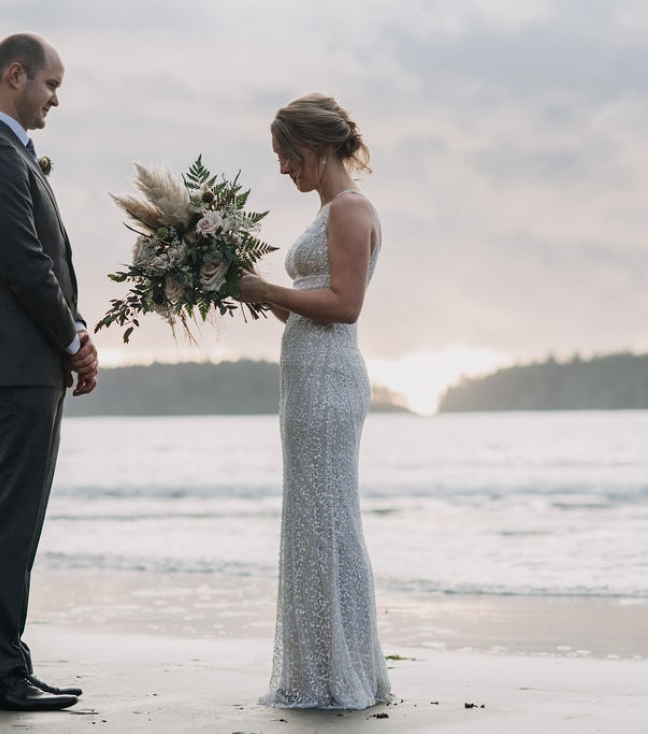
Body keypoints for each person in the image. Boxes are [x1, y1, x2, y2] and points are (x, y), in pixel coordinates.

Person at [0, 32, 98, 712]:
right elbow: (25, 265)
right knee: (9, 518)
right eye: (50, 84)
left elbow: (45, 265)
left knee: (19, 518)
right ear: (16, 75)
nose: (56, 99)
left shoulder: (7, 153)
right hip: (11, 360)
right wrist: (72, 339)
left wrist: (76, 333)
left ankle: (10, 664)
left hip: (23, 360)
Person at [238, 93, 392, 709]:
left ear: (316, 146)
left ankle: (338, 672)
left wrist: (269, 286)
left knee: (326, 519)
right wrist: (252, 291)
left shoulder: (350, 209)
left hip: (329, 382)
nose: (282, 170)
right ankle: (321, 667)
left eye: (286, 155)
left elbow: (346, 305)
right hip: (307, 375)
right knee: (310, 518)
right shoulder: (328, 210)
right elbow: (309, 304)